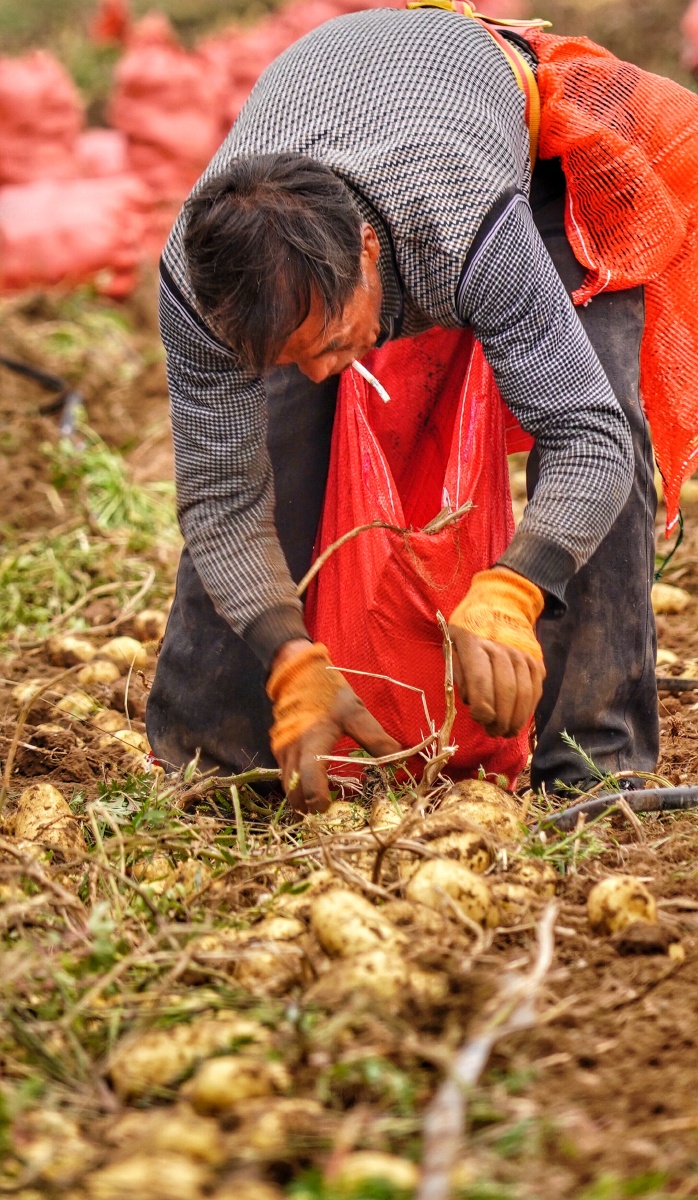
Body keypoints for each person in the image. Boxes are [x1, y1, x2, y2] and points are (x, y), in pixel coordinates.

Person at [145, 2, 665, 812]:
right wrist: (287, 653)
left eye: (327, 339)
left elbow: (584, 433)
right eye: (287, 352)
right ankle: (222, 762)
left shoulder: (459, 221)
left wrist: (517, 585)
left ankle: (595, 765)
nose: (321, 371)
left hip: (520, 141)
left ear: (367, 250)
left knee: (602, 403)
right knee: (277, 440)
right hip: (343, 105)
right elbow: (221, 499)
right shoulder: (201, 283)